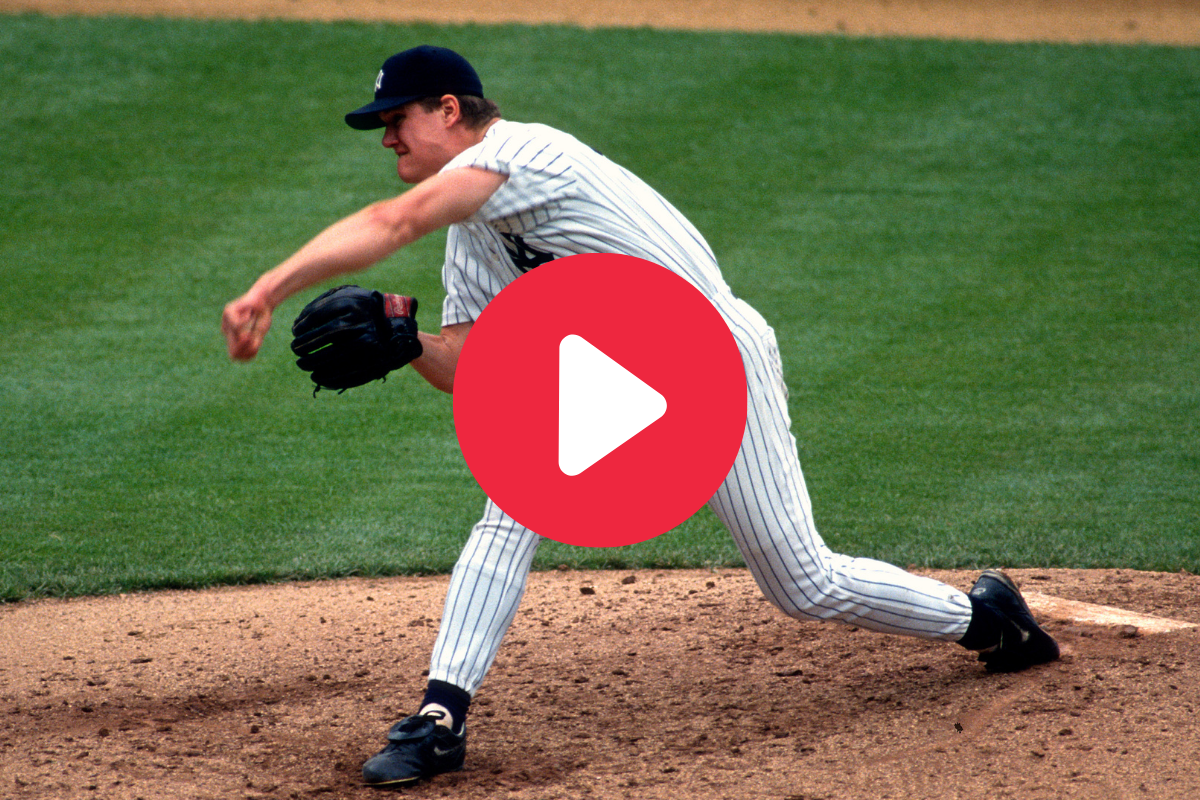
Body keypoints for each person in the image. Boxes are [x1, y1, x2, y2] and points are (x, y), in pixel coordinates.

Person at [221, 44, 1060, 788]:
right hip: (620, 374)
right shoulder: (469, 235)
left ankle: (985, 619)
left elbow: (393, 219)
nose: (386, 138)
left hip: (713, 356)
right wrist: (407, 342)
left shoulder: (524, 152)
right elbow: (475, 369)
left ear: (450, 112)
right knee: (513, 497)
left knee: (802, 582)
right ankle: (441, 717)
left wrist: (268, 287)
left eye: (395, 119)